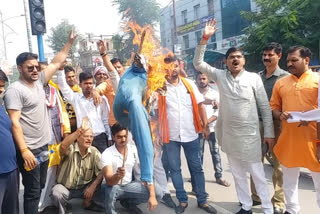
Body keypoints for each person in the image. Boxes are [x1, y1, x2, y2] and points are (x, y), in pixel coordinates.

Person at [193, 20, 274, 214]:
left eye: (238, 57)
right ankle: (245, 206)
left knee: (257, 174)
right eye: (231, 57)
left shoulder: (253, 78)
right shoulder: (220, 76)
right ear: (226, 62)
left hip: (251, 136)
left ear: (243, 60)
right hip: (229, 135)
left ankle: (267, 208)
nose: (235, 60)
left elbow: (264, 107)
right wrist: (204, 38)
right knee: (237, 174)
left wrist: (269, 133)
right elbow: (198, 63)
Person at [4, 30, 76, 214]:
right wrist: (24, 151)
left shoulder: (39, 82)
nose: (35, 70)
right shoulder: (14, 90)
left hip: (46, 146)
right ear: (20, 68)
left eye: (37, 67)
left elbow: (56, 62)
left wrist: (68, 43)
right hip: (30, 150)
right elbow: (15, 123)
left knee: (41, 184)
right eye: (30, 67)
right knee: (32, 192)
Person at [158, 56, 216, 214]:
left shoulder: (189, 84)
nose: (174, 69)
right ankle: (182, 201)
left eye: (176, 66)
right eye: (170, 66)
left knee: (197, 168)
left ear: (179, 67)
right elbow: (155, 112)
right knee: (175, 169)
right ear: (165, 68)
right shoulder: (160, 87)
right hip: (170, 137)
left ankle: (202, 200)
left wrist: (205, 126)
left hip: (191, 134)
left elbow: (200, 106)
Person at [270, 46, 320, 214]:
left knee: (319, 184)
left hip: (314, 141)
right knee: (290, 182)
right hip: (289, 140)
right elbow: (274, 107)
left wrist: (310, 117)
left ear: (306, 60)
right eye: (288, 61)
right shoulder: (281, 83)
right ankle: (292, 210)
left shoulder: (317, 80)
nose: (289, 64)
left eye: (294, 60)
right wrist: (280, 115)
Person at [250, 42, 288, 214]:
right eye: (264, 55)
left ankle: (279, 200)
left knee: (278, 164)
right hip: (256, 125)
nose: (266, 58)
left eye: (270, 55)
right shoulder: (257, 77)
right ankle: (255, 195)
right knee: (255, 162)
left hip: (277, 125)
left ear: (279, 56)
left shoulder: (285, 78)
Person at [102, 123, 159, 214]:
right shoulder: (107, 153)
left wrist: (150, 160)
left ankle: (128, 203)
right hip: (112, 185)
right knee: (112, 190)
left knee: (158, 192)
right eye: (119, 137)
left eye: (125, 136)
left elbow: (145, 170)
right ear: (113, 137)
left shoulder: (133, 149)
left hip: (128, 186)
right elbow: (109, 181)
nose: (123, 139)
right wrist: (117, 176)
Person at [56, 70, 112, 153]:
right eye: (86, 83)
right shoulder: (75, 98)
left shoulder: (102, 99)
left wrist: (109, 137)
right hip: (83, 137)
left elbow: (105, 119)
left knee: (102, 164)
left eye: (90, 83)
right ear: (80, 85)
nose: (88, 86)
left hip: (100, 137)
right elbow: (63, 87)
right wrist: (60, 70)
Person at [52, 127, 103, 214]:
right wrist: (76, 133)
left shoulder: (95, 152)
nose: (89, 139)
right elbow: (62, 147)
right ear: (78, 138)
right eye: (86, 136)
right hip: (66, 188)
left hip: (84, 188)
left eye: (91, 137)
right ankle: (64, 207)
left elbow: (102, 171)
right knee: (57, 193)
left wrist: (92, 187)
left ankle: (87, 203)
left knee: (102, 180)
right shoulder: (70, 149)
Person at [195, 72, 230, 187]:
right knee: (198, 153)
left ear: (208, 80)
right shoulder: (193, 93)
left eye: (204, 78)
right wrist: (200, 124)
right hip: (197, 129)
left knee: (215, 152)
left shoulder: (215, 94)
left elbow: (218, 112)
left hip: (212, 128)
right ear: (196, 80)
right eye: (199, 79)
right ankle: (196, 176)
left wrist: (206, 123)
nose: (202, 81)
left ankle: (219, 176)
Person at [0, 69, 19, 214]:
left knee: (11, 210)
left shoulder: (2, 107)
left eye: (2, 86)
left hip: (11, 169)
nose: (1, 90)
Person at [63, 65, 81, 133]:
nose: (72, 79)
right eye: (69, 77)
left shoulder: (80, 90)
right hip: (65, 128)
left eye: (73, 76)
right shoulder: (59, 91)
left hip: (78, 126)